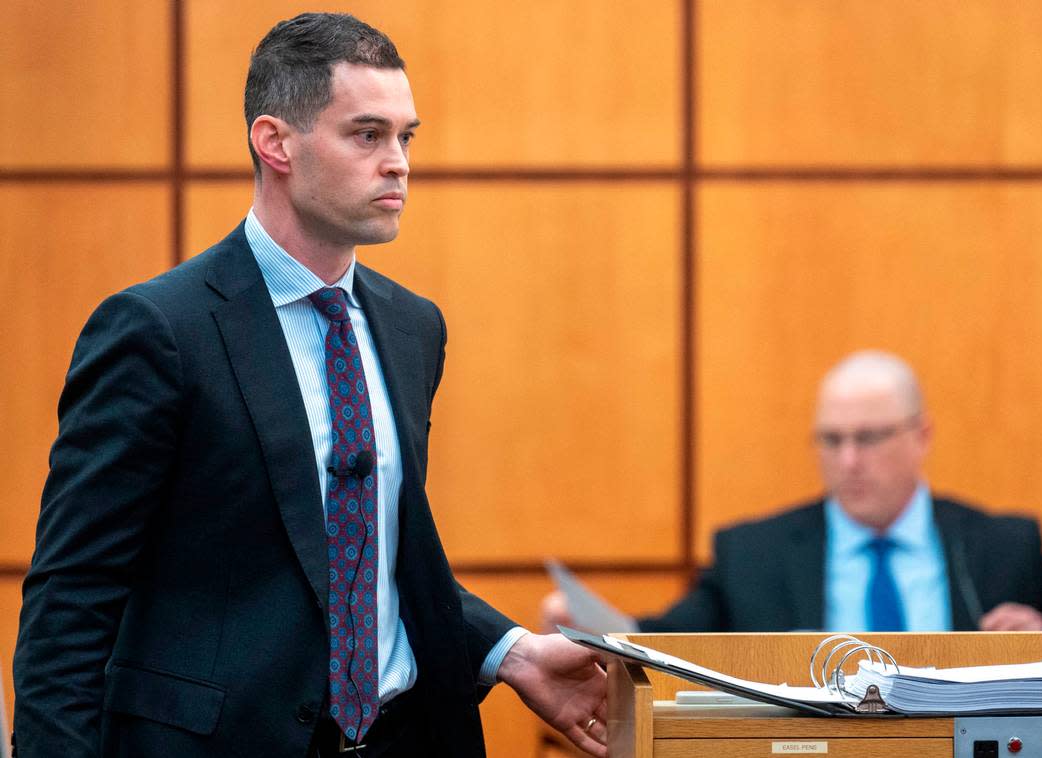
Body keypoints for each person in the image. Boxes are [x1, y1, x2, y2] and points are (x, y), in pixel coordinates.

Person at [13, 13, 606, 758]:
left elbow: (368, 556)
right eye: (367, 134)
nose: (398, 163)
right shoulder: (158, 330)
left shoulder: (412, 328)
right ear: (276, 143)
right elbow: (73, 598)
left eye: (406, 137)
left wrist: (510, 651)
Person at [542, 351, 1042, 634]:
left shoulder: (1005, 547)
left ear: (922, 436)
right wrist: (593, 629)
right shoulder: (752, 556)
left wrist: (1041, 644)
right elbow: (669, 644)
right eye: (832, 440)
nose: (849, 460)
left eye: (870, 438)